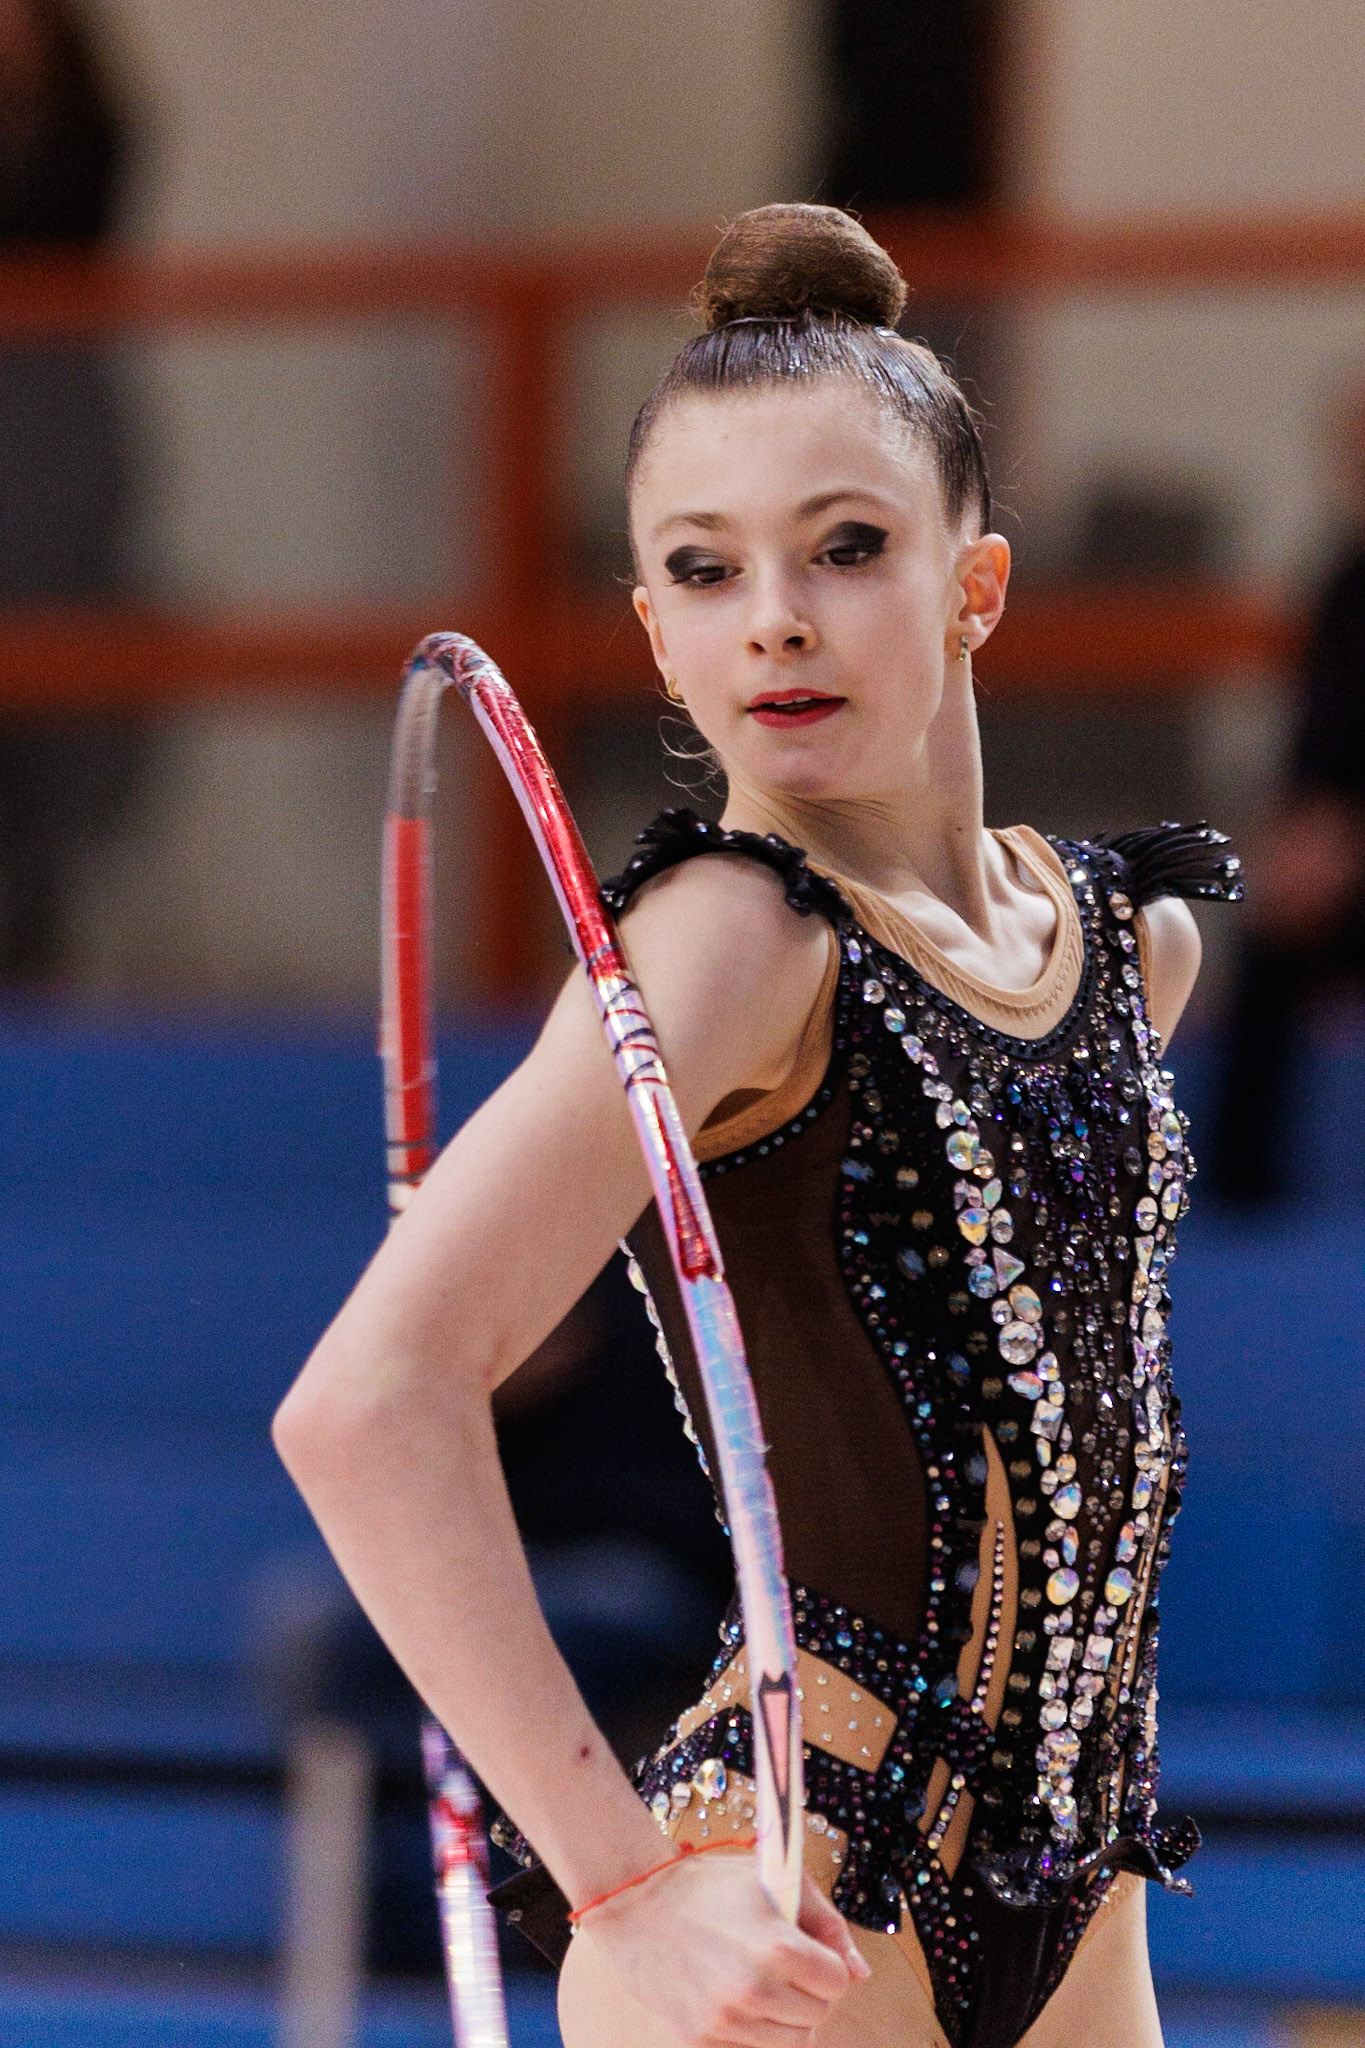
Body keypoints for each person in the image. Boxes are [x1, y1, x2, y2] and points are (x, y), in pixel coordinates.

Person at [272, 206, 1243, 2048]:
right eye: (703, 571)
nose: (774, 615)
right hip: (799, 1902)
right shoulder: (729, 936)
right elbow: (365, 1402)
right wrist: (620, 1884)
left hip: (1083, 1894)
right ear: (652, 627)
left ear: (977, 585)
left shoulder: (1128, 946)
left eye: (847, 547)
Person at [0, 0, 142, 980]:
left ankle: (34, 945)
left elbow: (77, 222)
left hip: (55, 426)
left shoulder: (89, 120)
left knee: (56, 710)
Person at [1205, 375, 1365, 1206]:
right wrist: (1295, 844)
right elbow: (1312, 752)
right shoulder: (1341, 583)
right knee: (1261, 961)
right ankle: (1242, 1210)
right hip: (1334, 878)